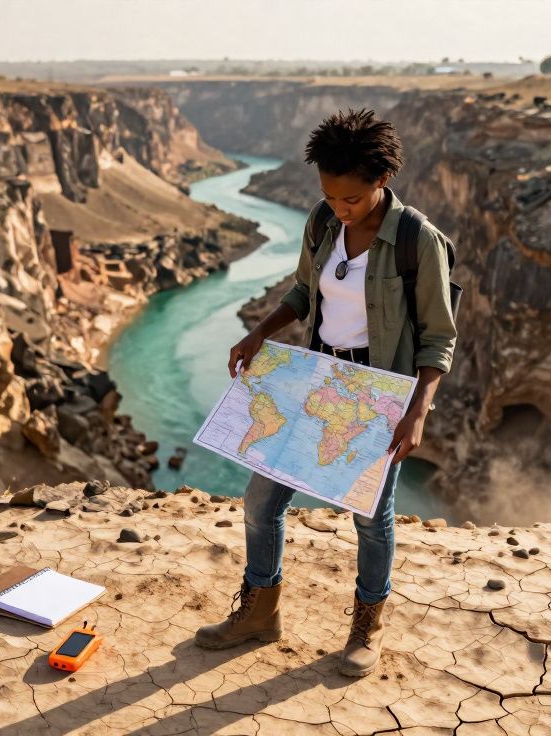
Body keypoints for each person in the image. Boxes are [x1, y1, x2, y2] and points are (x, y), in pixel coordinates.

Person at [194, 108, 458, 677]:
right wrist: (258, 333)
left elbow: (439, 338)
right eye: (329, 196)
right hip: (312, 383)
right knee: (262, 501)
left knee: (370, 517)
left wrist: (418, 412)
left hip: (377, 393)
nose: (339, 209)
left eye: (351, 201)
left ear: (381, 181)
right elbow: (301, 291)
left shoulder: (417, 241)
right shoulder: (321, 221)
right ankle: (260, 613)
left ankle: (369, 626)